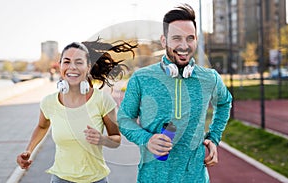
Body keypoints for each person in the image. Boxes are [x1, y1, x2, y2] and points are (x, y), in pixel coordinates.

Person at [117, 4, 232, 183]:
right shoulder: (141, 78)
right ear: (164, 41)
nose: (184, 46)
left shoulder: (210, 78)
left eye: (190, 38)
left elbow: (225, 103)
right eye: (177, 38)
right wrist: (147, 139)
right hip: (151, 178)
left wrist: (214, 138)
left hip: (196, 178)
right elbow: (124, 119)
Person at [17, 39, 137, 183]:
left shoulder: (102, 101)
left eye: (79, 62)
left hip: (96, 179)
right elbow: (42, 126)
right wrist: (28, 151)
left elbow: (116, 139)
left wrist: (103, 139)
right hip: (60, 179)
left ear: (88, 67)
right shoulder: (49, 102)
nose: (72, 67)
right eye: (66, 62)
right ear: (60, 66)